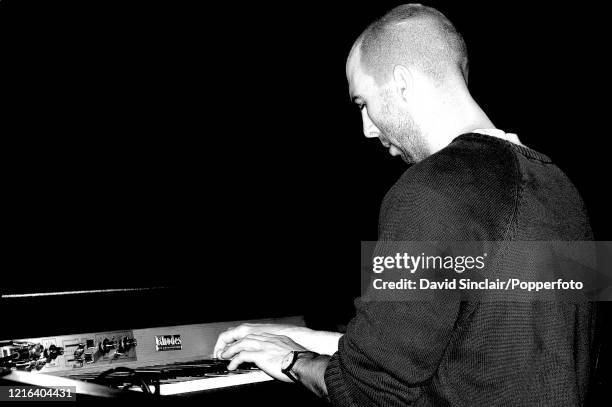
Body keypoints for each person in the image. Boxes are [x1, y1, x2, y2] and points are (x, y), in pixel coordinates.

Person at [214, 4, 596, 405]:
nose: (366, 129)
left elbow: (367, 390)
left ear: (401, 82)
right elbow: (481, 350)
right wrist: (311, 338)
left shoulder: (434, 189)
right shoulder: (560, 188)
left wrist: (292, 359)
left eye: (363, 103)